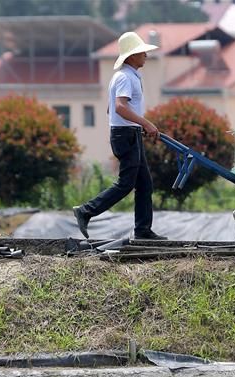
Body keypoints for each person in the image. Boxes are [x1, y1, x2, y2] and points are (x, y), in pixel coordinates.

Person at [73, 31, 167, 242]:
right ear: (131, 56)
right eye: (141, 52)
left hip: (129, 132)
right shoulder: (125, 77)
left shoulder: (126, 76)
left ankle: (143, 230)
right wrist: (145, 123)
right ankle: (86, 211)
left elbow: (111, 109)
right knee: (126, 183)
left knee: (145, 184)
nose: (145, 55)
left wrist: (136, 124)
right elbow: (119, 107)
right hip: (126, 135)